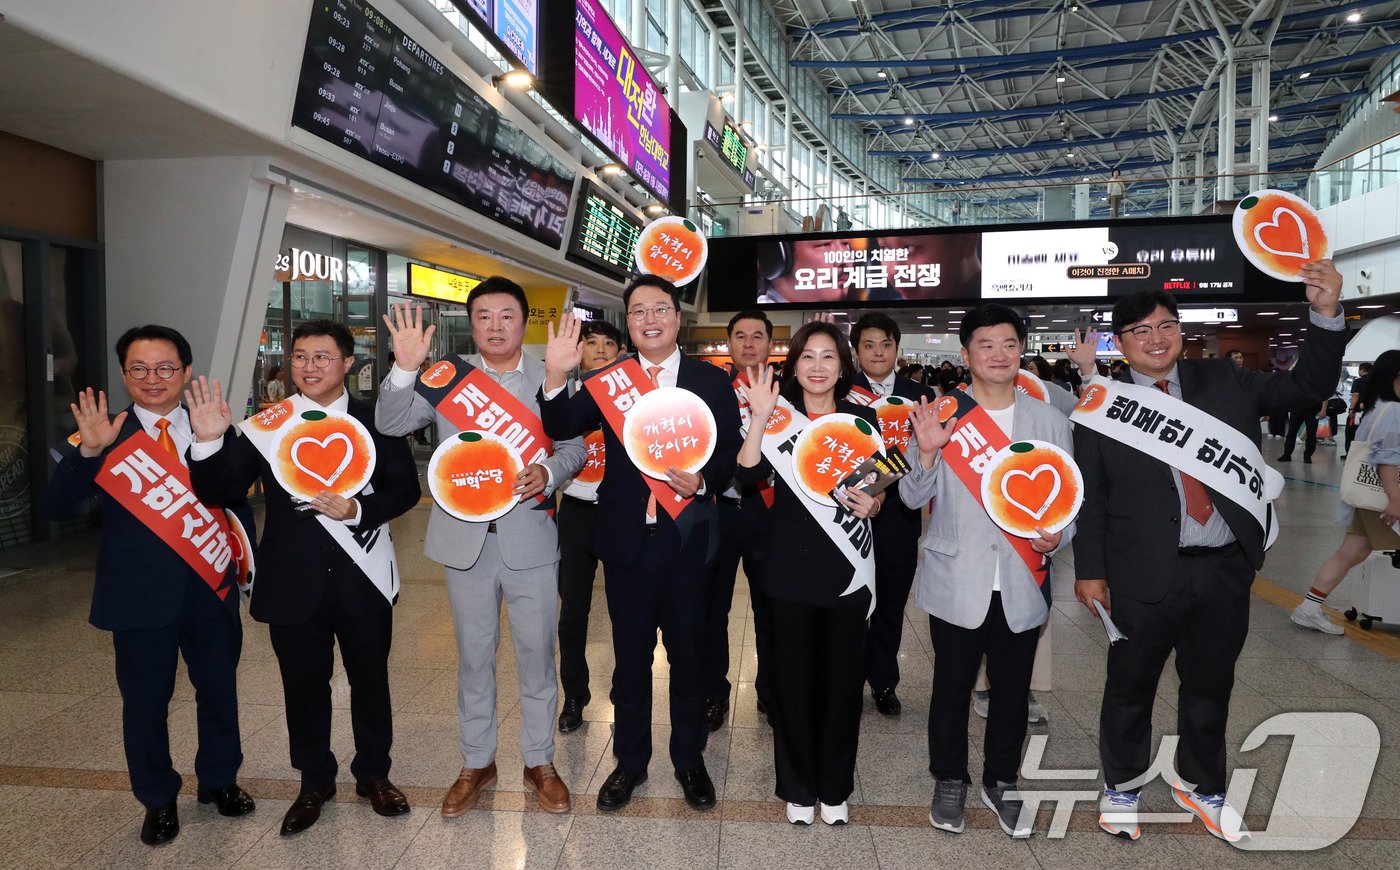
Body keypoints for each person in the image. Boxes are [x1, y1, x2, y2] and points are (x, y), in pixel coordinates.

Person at [1068, 260, 1345, 844]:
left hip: (1222, 567)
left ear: (1181, 331)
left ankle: (1201, 784)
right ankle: (1120, 786)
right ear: (1121, 343)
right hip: (1142, 573)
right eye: (1140, 331)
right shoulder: (1102, 406)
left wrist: (1324, 316)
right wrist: (1089, 573)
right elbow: (1091, 500)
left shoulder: (1225, 380)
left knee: (1210, 685)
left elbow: (1306, 389)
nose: (1155, 338)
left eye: (1165, 325)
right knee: (1129, 685)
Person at [187, 319, 421, 836]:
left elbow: (405, 489)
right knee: (303, 688)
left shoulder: (377, 421)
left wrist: (359, 510)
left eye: (321, 357)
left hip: (363, 577)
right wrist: (207, 442)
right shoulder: (270, 423)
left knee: (370, 684)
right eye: (299, 357)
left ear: (347, 364)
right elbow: (221, 487)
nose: (308, 366)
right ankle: (314, 781)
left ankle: (374, 775)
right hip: (292, 582)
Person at [375, 279, 587, 817]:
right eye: (485, 316)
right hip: (464, 541)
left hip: (531, 537)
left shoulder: (550, 373)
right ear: (472, 323)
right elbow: (391, 422)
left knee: (538, 657)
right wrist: (404, 368)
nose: (496, 326)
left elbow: (575, 446)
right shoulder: (448, 376)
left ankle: (539, 761)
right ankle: (477, 762)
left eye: (507, 316)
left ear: (524, 322)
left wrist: (548, 470)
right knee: (474, 659)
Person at [45, 325, 255, 846]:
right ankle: (157, 798)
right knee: (143, 703)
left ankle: (219, 781)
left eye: (165, 368)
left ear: (186, 372)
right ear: (123, 374)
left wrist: (247, 569)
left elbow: (237, 500)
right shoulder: (103, 432)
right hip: (137, 594)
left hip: (211, 589)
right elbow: (58, 507)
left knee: (219, 691)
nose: (152, 379)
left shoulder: (212, 424)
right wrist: (89, 454)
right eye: (139, 369)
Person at [539, 276, 742, 812]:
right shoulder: (610, 379)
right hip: (627, 544)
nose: (649, 318)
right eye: (637, 312)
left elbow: (729, 455)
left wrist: (705, 482)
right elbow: (561, 423)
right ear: (628, 323)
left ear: (677, 319)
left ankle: (690, 761)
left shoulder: (711, 381)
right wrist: (557, 373)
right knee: (630, 663)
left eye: (659, 309)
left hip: (687, 542)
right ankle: (629, 763)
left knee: (689, 658)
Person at [901, 304, 1073, 838]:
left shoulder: (1049, 419)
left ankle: (1001, 780)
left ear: (1022, 349)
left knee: (1012, 690)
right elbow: (910, 497)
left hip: (1023, 578)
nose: (998, 354)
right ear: (966, 354)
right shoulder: (941, 414)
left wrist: (1058, 537)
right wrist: (927, 455)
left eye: (1008, 343)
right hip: (958, 578)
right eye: (986, 345)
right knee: (951, 689)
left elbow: (1069, 502)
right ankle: (949, 779)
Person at [735, 321, 882, 826]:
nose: (817, 367)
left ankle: (835, 786)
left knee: (843, 685)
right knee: (792, 685)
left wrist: (873, 503)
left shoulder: (863, 420)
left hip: (846, 568)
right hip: (789, 567)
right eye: (807, 357)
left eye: (827, 357)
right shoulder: (777, 418)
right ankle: (798, 786)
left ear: (842, 365)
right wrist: (757, 418)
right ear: (793, 366)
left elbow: (880, 486)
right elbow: (748, 475)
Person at [849, 312, 935, 716]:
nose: (878, 352)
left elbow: (922, 455)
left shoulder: (920, 396)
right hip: (845, 516)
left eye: (886, 344)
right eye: (869, 345)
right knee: (848, 603)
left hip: (899, 516)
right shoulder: (840, 393)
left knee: (889, 603)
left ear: (897, 349)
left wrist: (880, 483)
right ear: (856, 351)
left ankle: (883, 681)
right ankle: (845, 679)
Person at [704, 310, 777, 730]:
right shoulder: (710, 390)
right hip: (718, 512)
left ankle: (770, 691)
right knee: (713, 609)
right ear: (729, 344)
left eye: (757, 336)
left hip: (768, 512)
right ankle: (715, 693)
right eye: (740, 336)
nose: (748, 344)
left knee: (771, 606)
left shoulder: (789, 392)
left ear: (770, 344)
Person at [1292, 350, 1400, 633]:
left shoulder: (1378, 407)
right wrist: (1397, 499)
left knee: (1351, 553)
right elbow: (1387, 461)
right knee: (1350, 553)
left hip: (1369, 496)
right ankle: (1308, 609)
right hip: (1383, 498)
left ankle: (1309, 608)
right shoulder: (1395, 410)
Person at [554, 319, 624, 733]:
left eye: (608, 344)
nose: (599, 350)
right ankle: (575, 693)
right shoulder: (564, 398)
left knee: (624, 610)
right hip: (577, 513)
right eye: (590, 343)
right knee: (572, 612)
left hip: (619, 513)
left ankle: (623, 690)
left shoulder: (632, 397)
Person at [1346, 362, 1374, 457]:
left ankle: (1350, 454)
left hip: (1357, 412)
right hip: (1372, 412)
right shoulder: (1377, 382)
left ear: (1362, 370)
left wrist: (1351, 408)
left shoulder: (1358, 381)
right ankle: (1365, 454)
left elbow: (1355, 395)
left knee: (1351, 432)